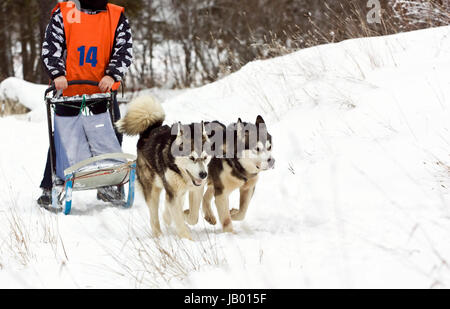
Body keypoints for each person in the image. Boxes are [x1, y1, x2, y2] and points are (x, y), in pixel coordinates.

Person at [37, 0, 133, 208]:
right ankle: (51, 185)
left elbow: (124, 50)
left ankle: (108, 183)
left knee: (111, 133)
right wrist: (57, 73)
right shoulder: (67, 12)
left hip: (103, 88)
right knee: (62, 136)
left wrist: (112, 74)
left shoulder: (115, 16)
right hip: (69, 87)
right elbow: (51, 46)